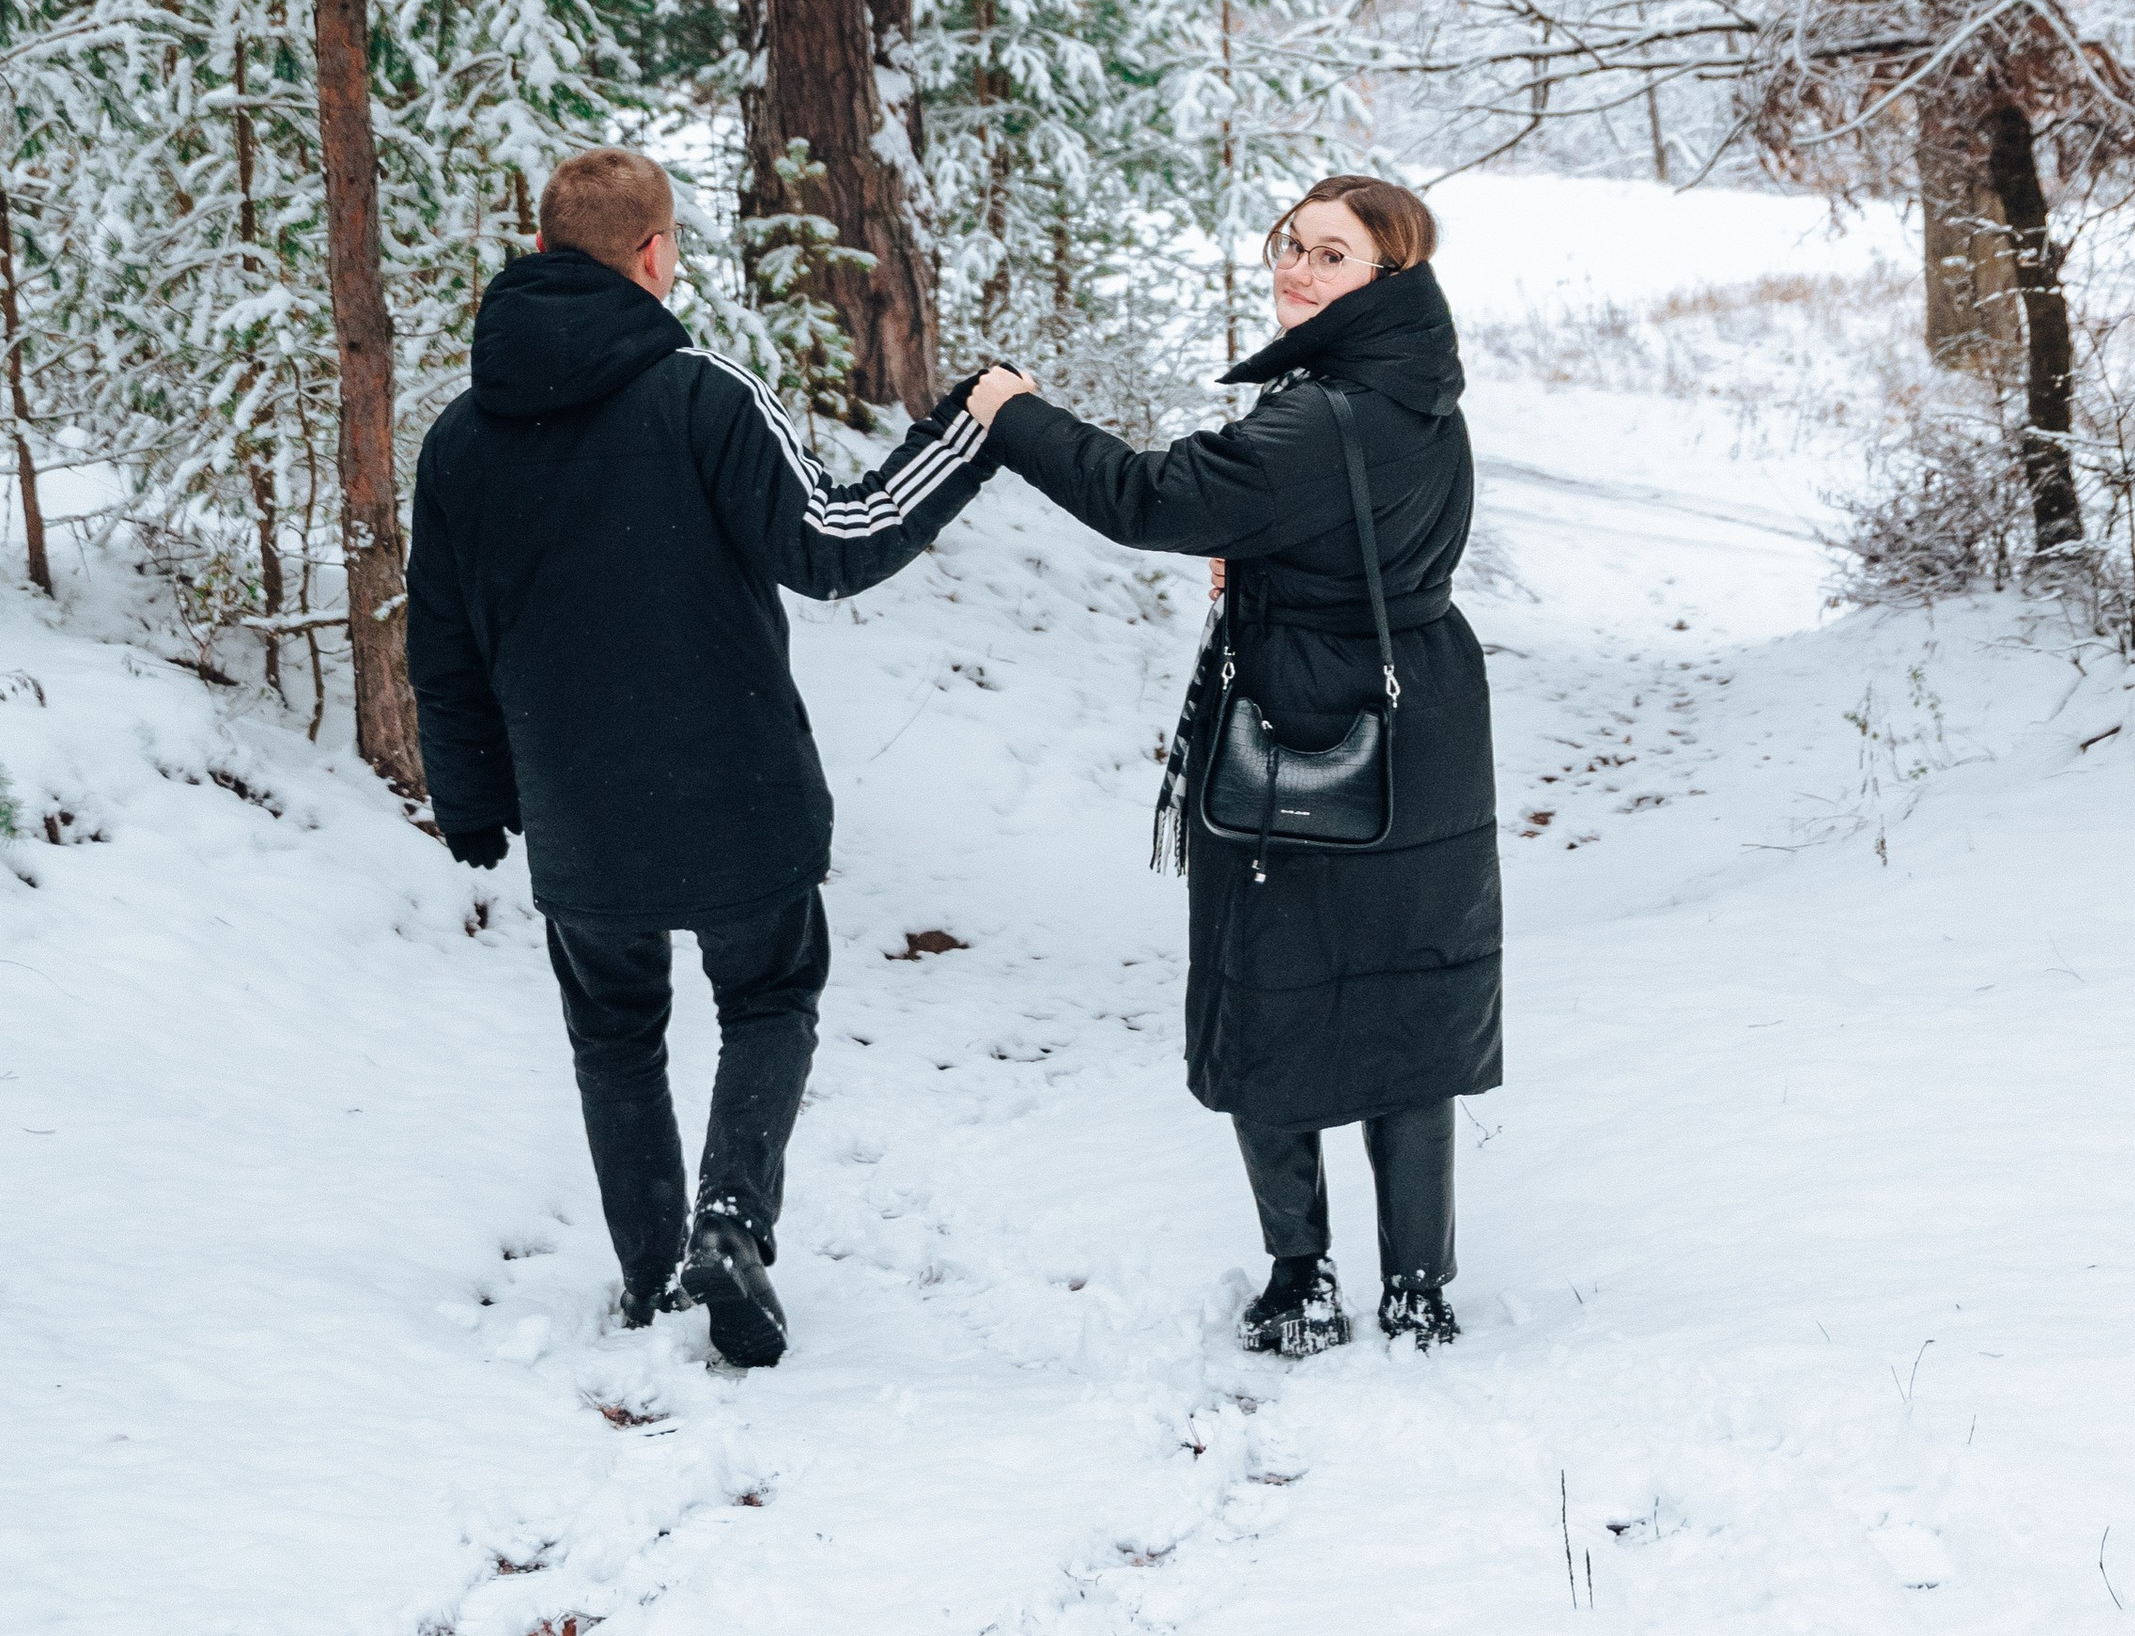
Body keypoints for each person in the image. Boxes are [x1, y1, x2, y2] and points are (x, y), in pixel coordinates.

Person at [406, 146, 999, 1368]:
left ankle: (647, 1280)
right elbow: (838, 541)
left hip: (576, 804)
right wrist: (968, 433)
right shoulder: (702, 392)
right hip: (737, 787)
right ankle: (727, 1223)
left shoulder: (462, 435)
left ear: (539, 248)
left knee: (614, 1033)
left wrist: (469, 797)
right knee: (770, 995)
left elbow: (443, 641)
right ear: (655, 255)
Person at [967, 174, 1499, 1357]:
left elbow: (1148, 496)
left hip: (1302, 722)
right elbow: (1379, 537)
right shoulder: (1419, 390)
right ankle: (1417, 1285)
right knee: (1408, 995)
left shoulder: (1316, 415)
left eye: (1330, 256)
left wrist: (1016, 413)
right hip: (1427, 714)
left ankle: (1301, 1280)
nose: (1294, 272)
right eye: (1289, 245)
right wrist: (1269, 565)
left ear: (1390, 278)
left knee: (1274, 991)